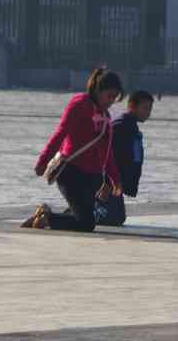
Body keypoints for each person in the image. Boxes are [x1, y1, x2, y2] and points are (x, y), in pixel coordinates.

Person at [24, 68, 123, 232]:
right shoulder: (79, 104)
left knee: (83, 218)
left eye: (115, 97)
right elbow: (60, 133)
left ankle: (46, 215)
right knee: (86, 224)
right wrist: (43, 161)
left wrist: (114, 180)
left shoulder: (106, 116)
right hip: (71, 172)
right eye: (109, 96)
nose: (111, 101)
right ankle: (46, 218)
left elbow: (107, 152)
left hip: (92, 178)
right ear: (98, 90)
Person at [93, 90, 154, 226]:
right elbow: (110, 156)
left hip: (116, 182)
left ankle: (79, 211)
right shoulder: (121, 126)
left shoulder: (131, 126)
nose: (148, 112)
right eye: (145, 108)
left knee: (116, 217)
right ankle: (64, 216)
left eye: (150, 108)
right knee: (114, 218)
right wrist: (108, 183)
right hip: (108, 182)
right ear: (132, 106)